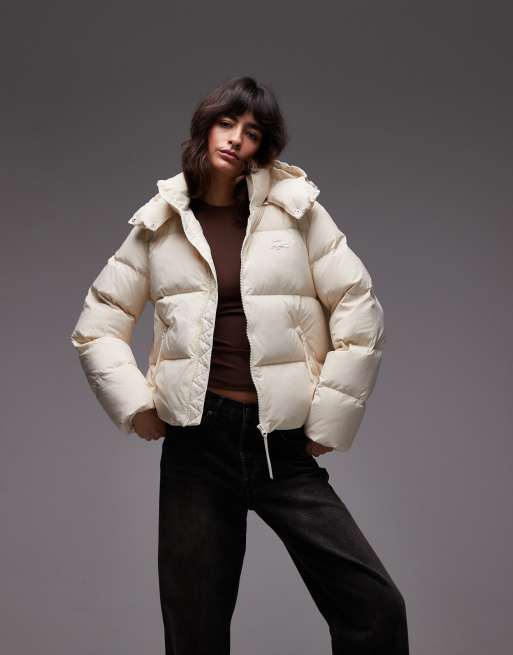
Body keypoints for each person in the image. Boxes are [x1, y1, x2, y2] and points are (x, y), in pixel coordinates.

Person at [70, 76, 409, 654]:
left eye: (251, 132)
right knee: (195, 631)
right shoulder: (161, 223)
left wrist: (328, 419)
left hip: (281, 445)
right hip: (197, 445)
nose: (235, 139)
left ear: (263, 145)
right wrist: (136, 406)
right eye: (226, 123)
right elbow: (98, 323)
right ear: (205, 129)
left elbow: (359, 308)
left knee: (374, 607)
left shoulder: (295, 210)